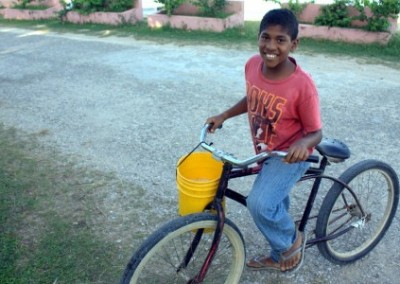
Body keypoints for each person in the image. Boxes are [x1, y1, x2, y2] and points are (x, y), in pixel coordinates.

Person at [205, 8, 322, 272]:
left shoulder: (302, 86)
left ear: (294, 44)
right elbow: (253, 98)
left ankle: (290, 244)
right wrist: (224, 115)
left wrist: (302, 145)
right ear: (257, 37)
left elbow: (316, 132)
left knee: (259, 203)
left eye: (280, 40)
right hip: (266, 151)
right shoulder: (251, 66)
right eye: (265, 37)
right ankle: (279, 249)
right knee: (274, 202)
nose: (270, 46)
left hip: (289, 155)